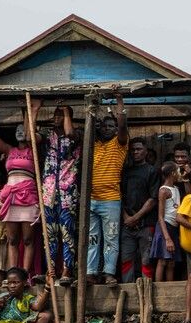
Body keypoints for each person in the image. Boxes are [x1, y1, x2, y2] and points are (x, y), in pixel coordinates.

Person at [0, 106, 39, 273]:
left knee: (28, 239)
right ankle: (13, 272)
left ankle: (24, 273)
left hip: (28, 195)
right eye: (18, 129)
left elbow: (30, 134)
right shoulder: (10, 150)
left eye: (24, 129)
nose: (21, 132)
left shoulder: (34, 149)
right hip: (11, 197)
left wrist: (29, 110)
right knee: (13, 239)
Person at [88, 95, 130, 285]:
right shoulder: (94, 144)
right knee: (92, 238)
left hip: (111, 200)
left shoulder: (119, 143)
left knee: (111, 238)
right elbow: (92, 121)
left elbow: (122, 125)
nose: (107, 128)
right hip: (91, 199)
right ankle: (91, 272)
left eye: (110, 126)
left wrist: (119, 101)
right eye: (104, 126)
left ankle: (108, 273)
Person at [43, 104, 78, 285]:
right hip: (49, 192)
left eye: (61, 115)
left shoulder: (75, 135)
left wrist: (66, 112)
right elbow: (28, 136)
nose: (56, 118)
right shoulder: (48, 135)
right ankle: (50, 270)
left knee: (67, 232)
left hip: (67, 190)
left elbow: (70, 133)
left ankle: (67, 269)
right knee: (50, 233)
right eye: (55, 114)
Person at [119, 137, 160, 282]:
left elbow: (153, 199)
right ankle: (128, 289)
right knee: (126, 259)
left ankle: (147, 290)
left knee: (146, 259)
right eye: (133, 149)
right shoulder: (124, 172)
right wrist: (126, 218)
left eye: (139, 149)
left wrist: (135, 218)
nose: (135, 152)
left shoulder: (152, 171)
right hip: (127, 225)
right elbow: (119, 196)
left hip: (146, 223)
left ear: (145, 151)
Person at [149, 162, 182, 282]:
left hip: (173, 228)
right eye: (178, 171)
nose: (180, 174)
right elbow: (160, 217)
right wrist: (167, 238)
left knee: (171, 262)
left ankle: (169, 288)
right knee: (162, 260)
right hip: (164, 227)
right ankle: (159, 288)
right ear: (173, 173)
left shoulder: (176, 189)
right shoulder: (163, 191)